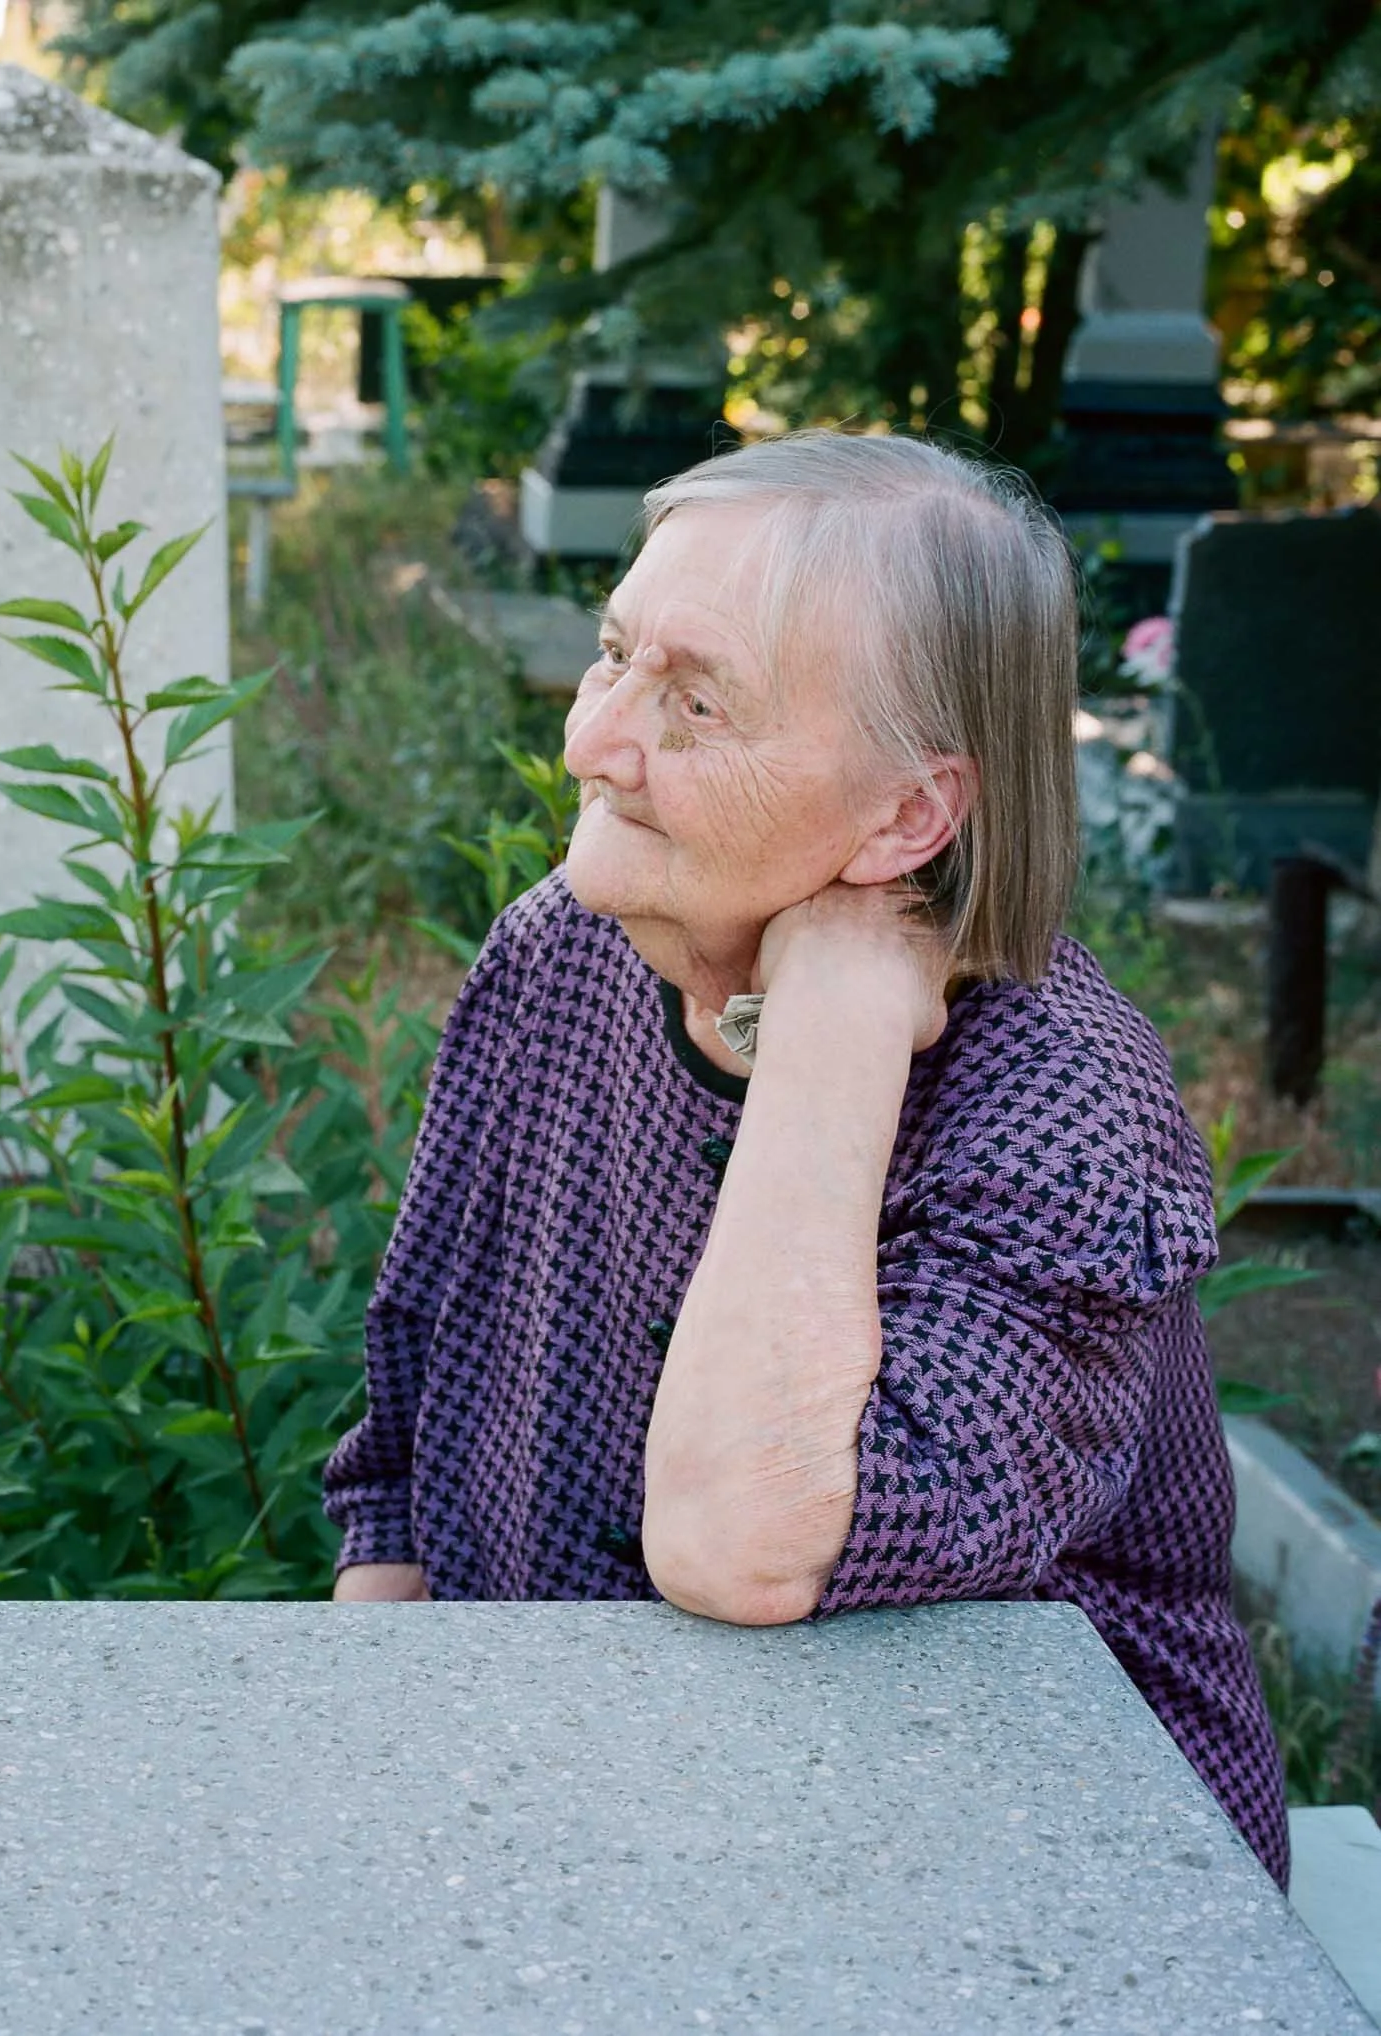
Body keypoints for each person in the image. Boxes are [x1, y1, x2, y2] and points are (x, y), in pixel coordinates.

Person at [322, 431, 1289, 1883]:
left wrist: (834, 1028)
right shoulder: (555, 955)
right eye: (614, 657)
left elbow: (746, 1541)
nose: (594, 740)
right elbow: (407, 1420)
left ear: (909, 817)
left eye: (697, 703)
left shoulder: (1064, 1115)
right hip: (608, 1822)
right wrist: (365, 1782)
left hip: (1025, 1878)